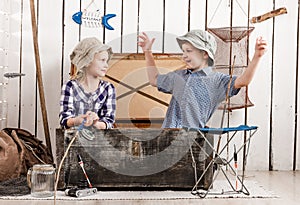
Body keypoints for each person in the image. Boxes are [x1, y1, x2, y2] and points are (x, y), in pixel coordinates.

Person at [138, 30, 267, 128]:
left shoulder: (216, 81)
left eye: (189, 51)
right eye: (183, 52)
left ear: (205, 54)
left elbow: (244, 80)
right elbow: (154, 80)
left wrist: (257, 56)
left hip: (192, 141)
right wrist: (148, 52)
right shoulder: (178, 76)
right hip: (167, 135)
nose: (184, 56)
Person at [59, 37, 116, 129]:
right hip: (73, 140)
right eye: (102, 60)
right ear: (87, 62)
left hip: (101, 141)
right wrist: (77, 121)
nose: (106, 65)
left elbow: (109, 121)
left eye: (106, 61)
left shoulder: (108, 88)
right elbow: (64, 119)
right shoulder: (70, 86)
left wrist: (96, 123)